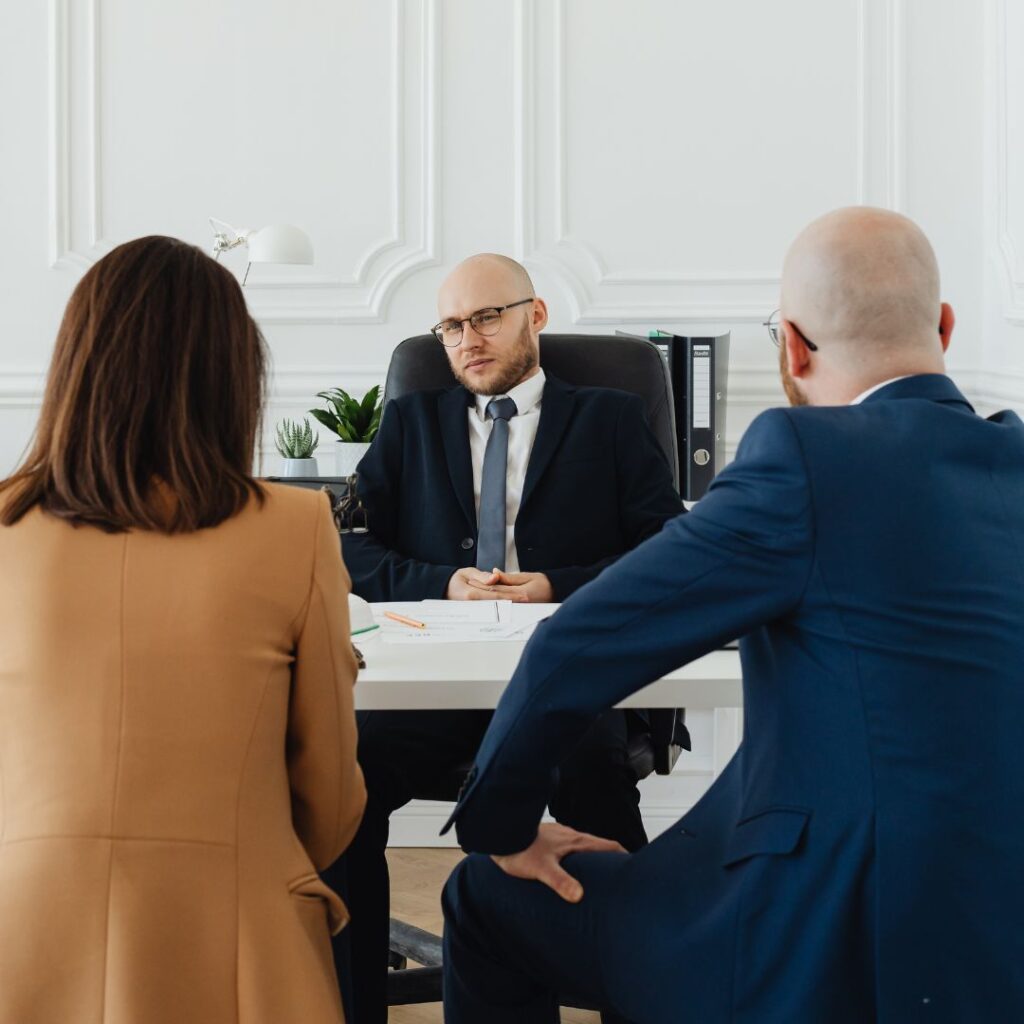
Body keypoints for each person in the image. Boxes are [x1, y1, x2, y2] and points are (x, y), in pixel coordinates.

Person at [440, 208, 1024, 1023]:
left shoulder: (806, 457)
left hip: (824, 928)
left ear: (789, 345)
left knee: (484, 894)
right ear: (947, 328)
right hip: (996, 931)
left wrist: (500, 828)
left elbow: (576, 646)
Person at [0, 236, 366, 1024]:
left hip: (19, 934)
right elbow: (330, 799)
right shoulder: (298, 526)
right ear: (231, 377)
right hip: (239, 939)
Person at [329, 253, 683, 1021]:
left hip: (564, 685)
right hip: (437, 683)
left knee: (595, 782)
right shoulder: (413, 422)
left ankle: (639, 989)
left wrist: (558, 582)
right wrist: (440, 582)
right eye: (451, 326)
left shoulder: (608, 419)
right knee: (344, 782)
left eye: (487, 316)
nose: (468, 339)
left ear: (536, 315)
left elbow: (669, 547)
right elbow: (346, 542)